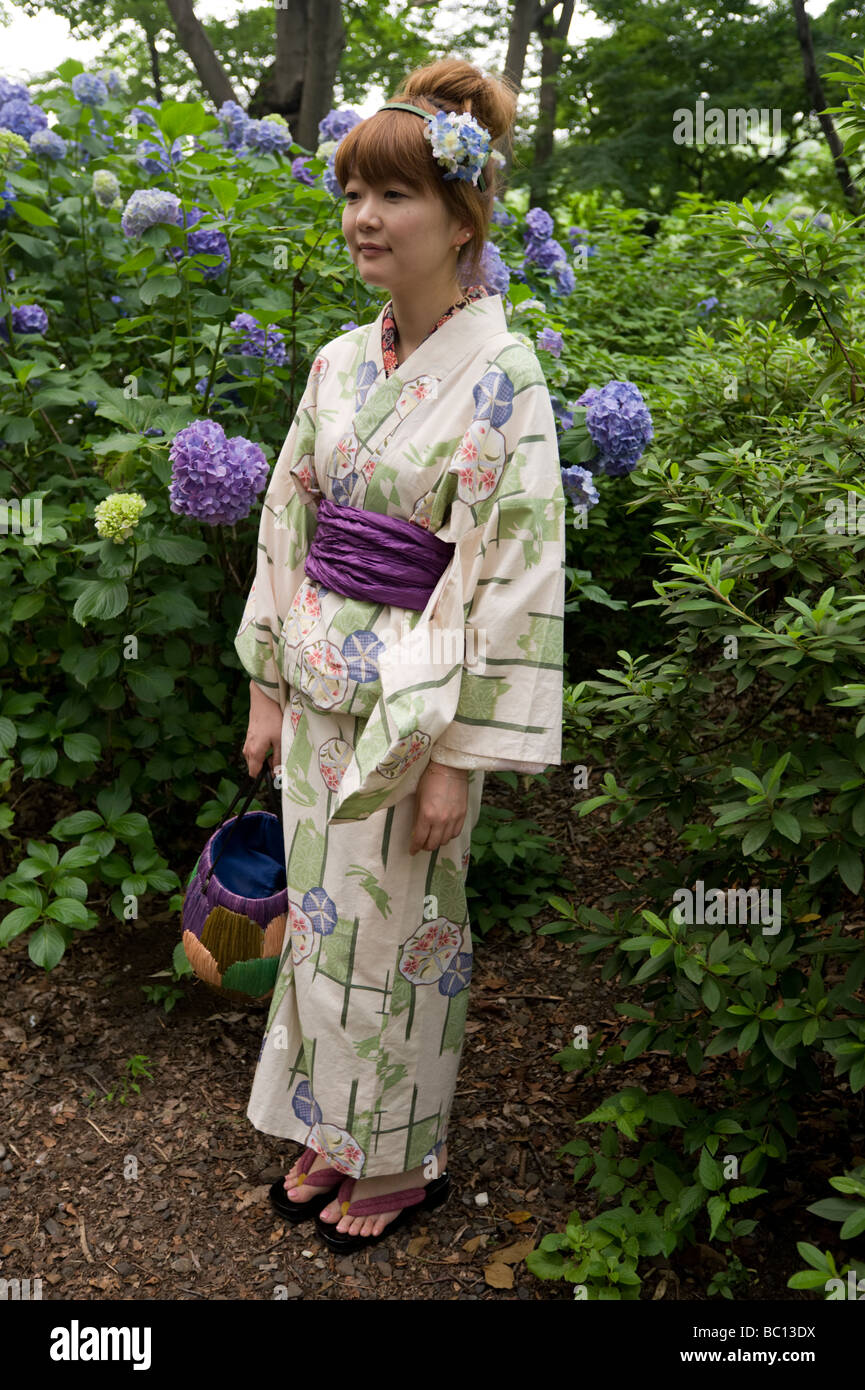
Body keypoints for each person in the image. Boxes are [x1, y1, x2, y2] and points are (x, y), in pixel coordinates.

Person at [234, 56, 566, 1255]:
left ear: (462, 216)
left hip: (419, 700)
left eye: (393, 197)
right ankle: (334, 1120)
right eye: (351, 195)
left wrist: (457, 757)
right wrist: (269, 682)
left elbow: (513, 572)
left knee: (405, 929)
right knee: (323, 918)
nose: (363, 219)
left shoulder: (502, 377)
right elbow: (289, 514)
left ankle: (404, 1153)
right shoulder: (335, 363)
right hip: (320, 673)